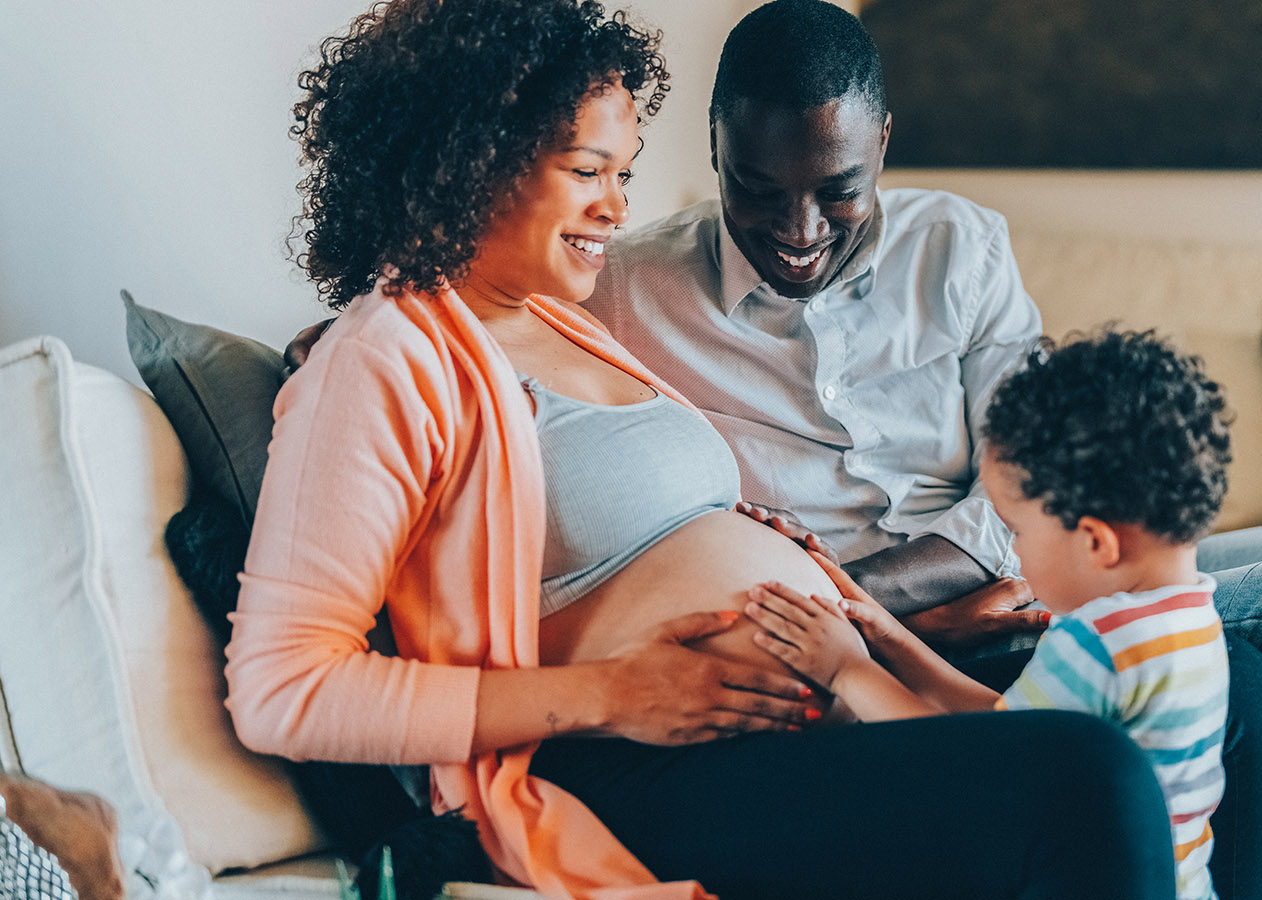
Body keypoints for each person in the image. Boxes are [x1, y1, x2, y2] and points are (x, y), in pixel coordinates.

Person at [233, 1, 1176, 897]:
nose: (615, 208)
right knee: (1087, 775)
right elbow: (284, 691)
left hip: (825, 696)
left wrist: (862, 621)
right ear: (476, 163)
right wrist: (611, 696)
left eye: (624, 175)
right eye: (588, 171)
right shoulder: (383, 355)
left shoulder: (568, 325)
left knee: (1230, 691)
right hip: (628, 757)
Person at [580, 3, 1262, 898]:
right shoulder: (626, 288)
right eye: (759, 191)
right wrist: (893, 617)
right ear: (714, 149)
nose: (801, 230)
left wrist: (894, 593)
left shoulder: (962, 249)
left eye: (837, 191)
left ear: (885, 142)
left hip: (1045, 569)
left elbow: (1027, 490)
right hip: (933, 619)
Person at [742, 328, 1262, 900]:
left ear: (1097, 542)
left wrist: (847, 670)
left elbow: (972, 764)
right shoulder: (1187, 618)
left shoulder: (1100, 642)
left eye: (1019, 529)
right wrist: (888, 634)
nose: (1015, 551)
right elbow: (1006, 723)